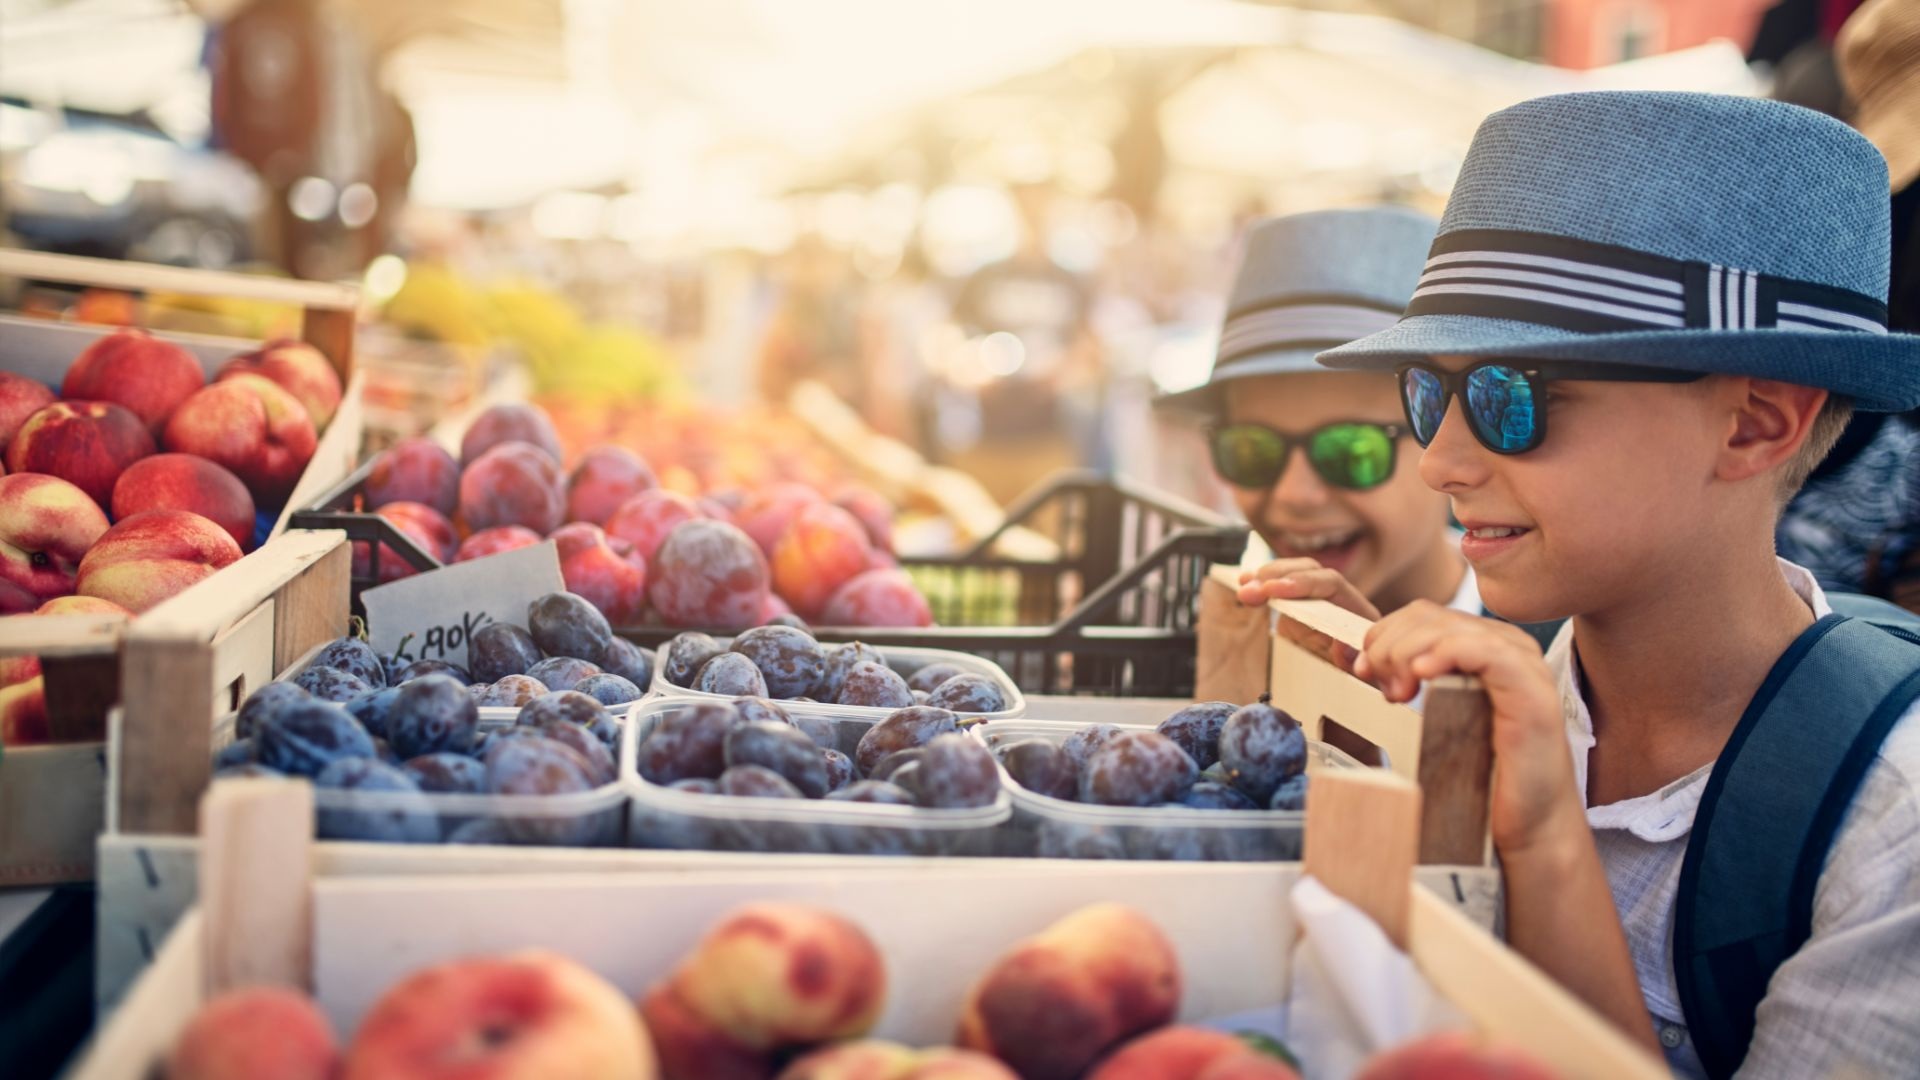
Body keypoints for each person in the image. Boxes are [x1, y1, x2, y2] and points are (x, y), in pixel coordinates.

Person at [1302, 92, 1920, 1078]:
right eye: (1427, 394)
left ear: (1756, 424)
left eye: (1512, 399)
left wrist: (1549, 841)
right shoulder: (1509, 691)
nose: (1439, 461)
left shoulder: (1893, 822)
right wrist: (1359, 716)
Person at [1160, 207, 1474, 619]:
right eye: (1253, 452)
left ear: (1450, 438)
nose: (1295, 494)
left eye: (1350, 453)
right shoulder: (1213, 635)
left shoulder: (1559, 666)